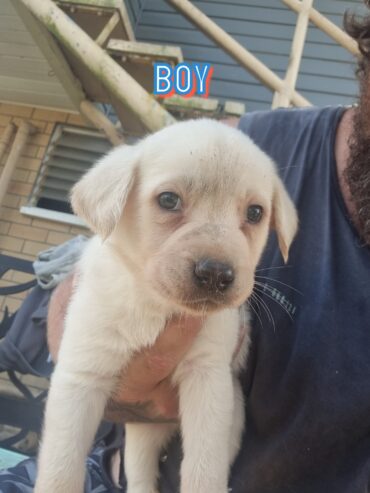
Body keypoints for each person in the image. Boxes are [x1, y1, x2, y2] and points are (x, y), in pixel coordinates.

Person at [1, 8, 370, 493]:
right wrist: (75, 324)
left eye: (253, 216)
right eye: (171, 202)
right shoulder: (260, 145)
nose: (218, 262)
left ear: (280, 224)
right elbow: (77, 373)